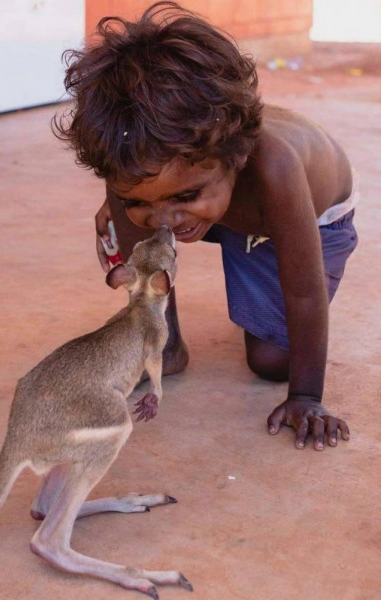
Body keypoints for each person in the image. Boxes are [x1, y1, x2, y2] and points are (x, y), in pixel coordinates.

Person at [53, 2, 358, 451]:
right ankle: (165, 344)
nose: (163, 223)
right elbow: (161, 191)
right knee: (147, 203)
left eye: (184, 195)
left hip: (300, 220)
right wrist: (122, 200)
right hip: (223, 204)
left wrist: (307, 397)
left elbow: (304, 291)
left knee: (271, 362)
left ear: (233, 158)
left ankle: (265, 327)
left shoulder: (276, 171)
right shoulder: (172, 176)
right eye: (140, 199)